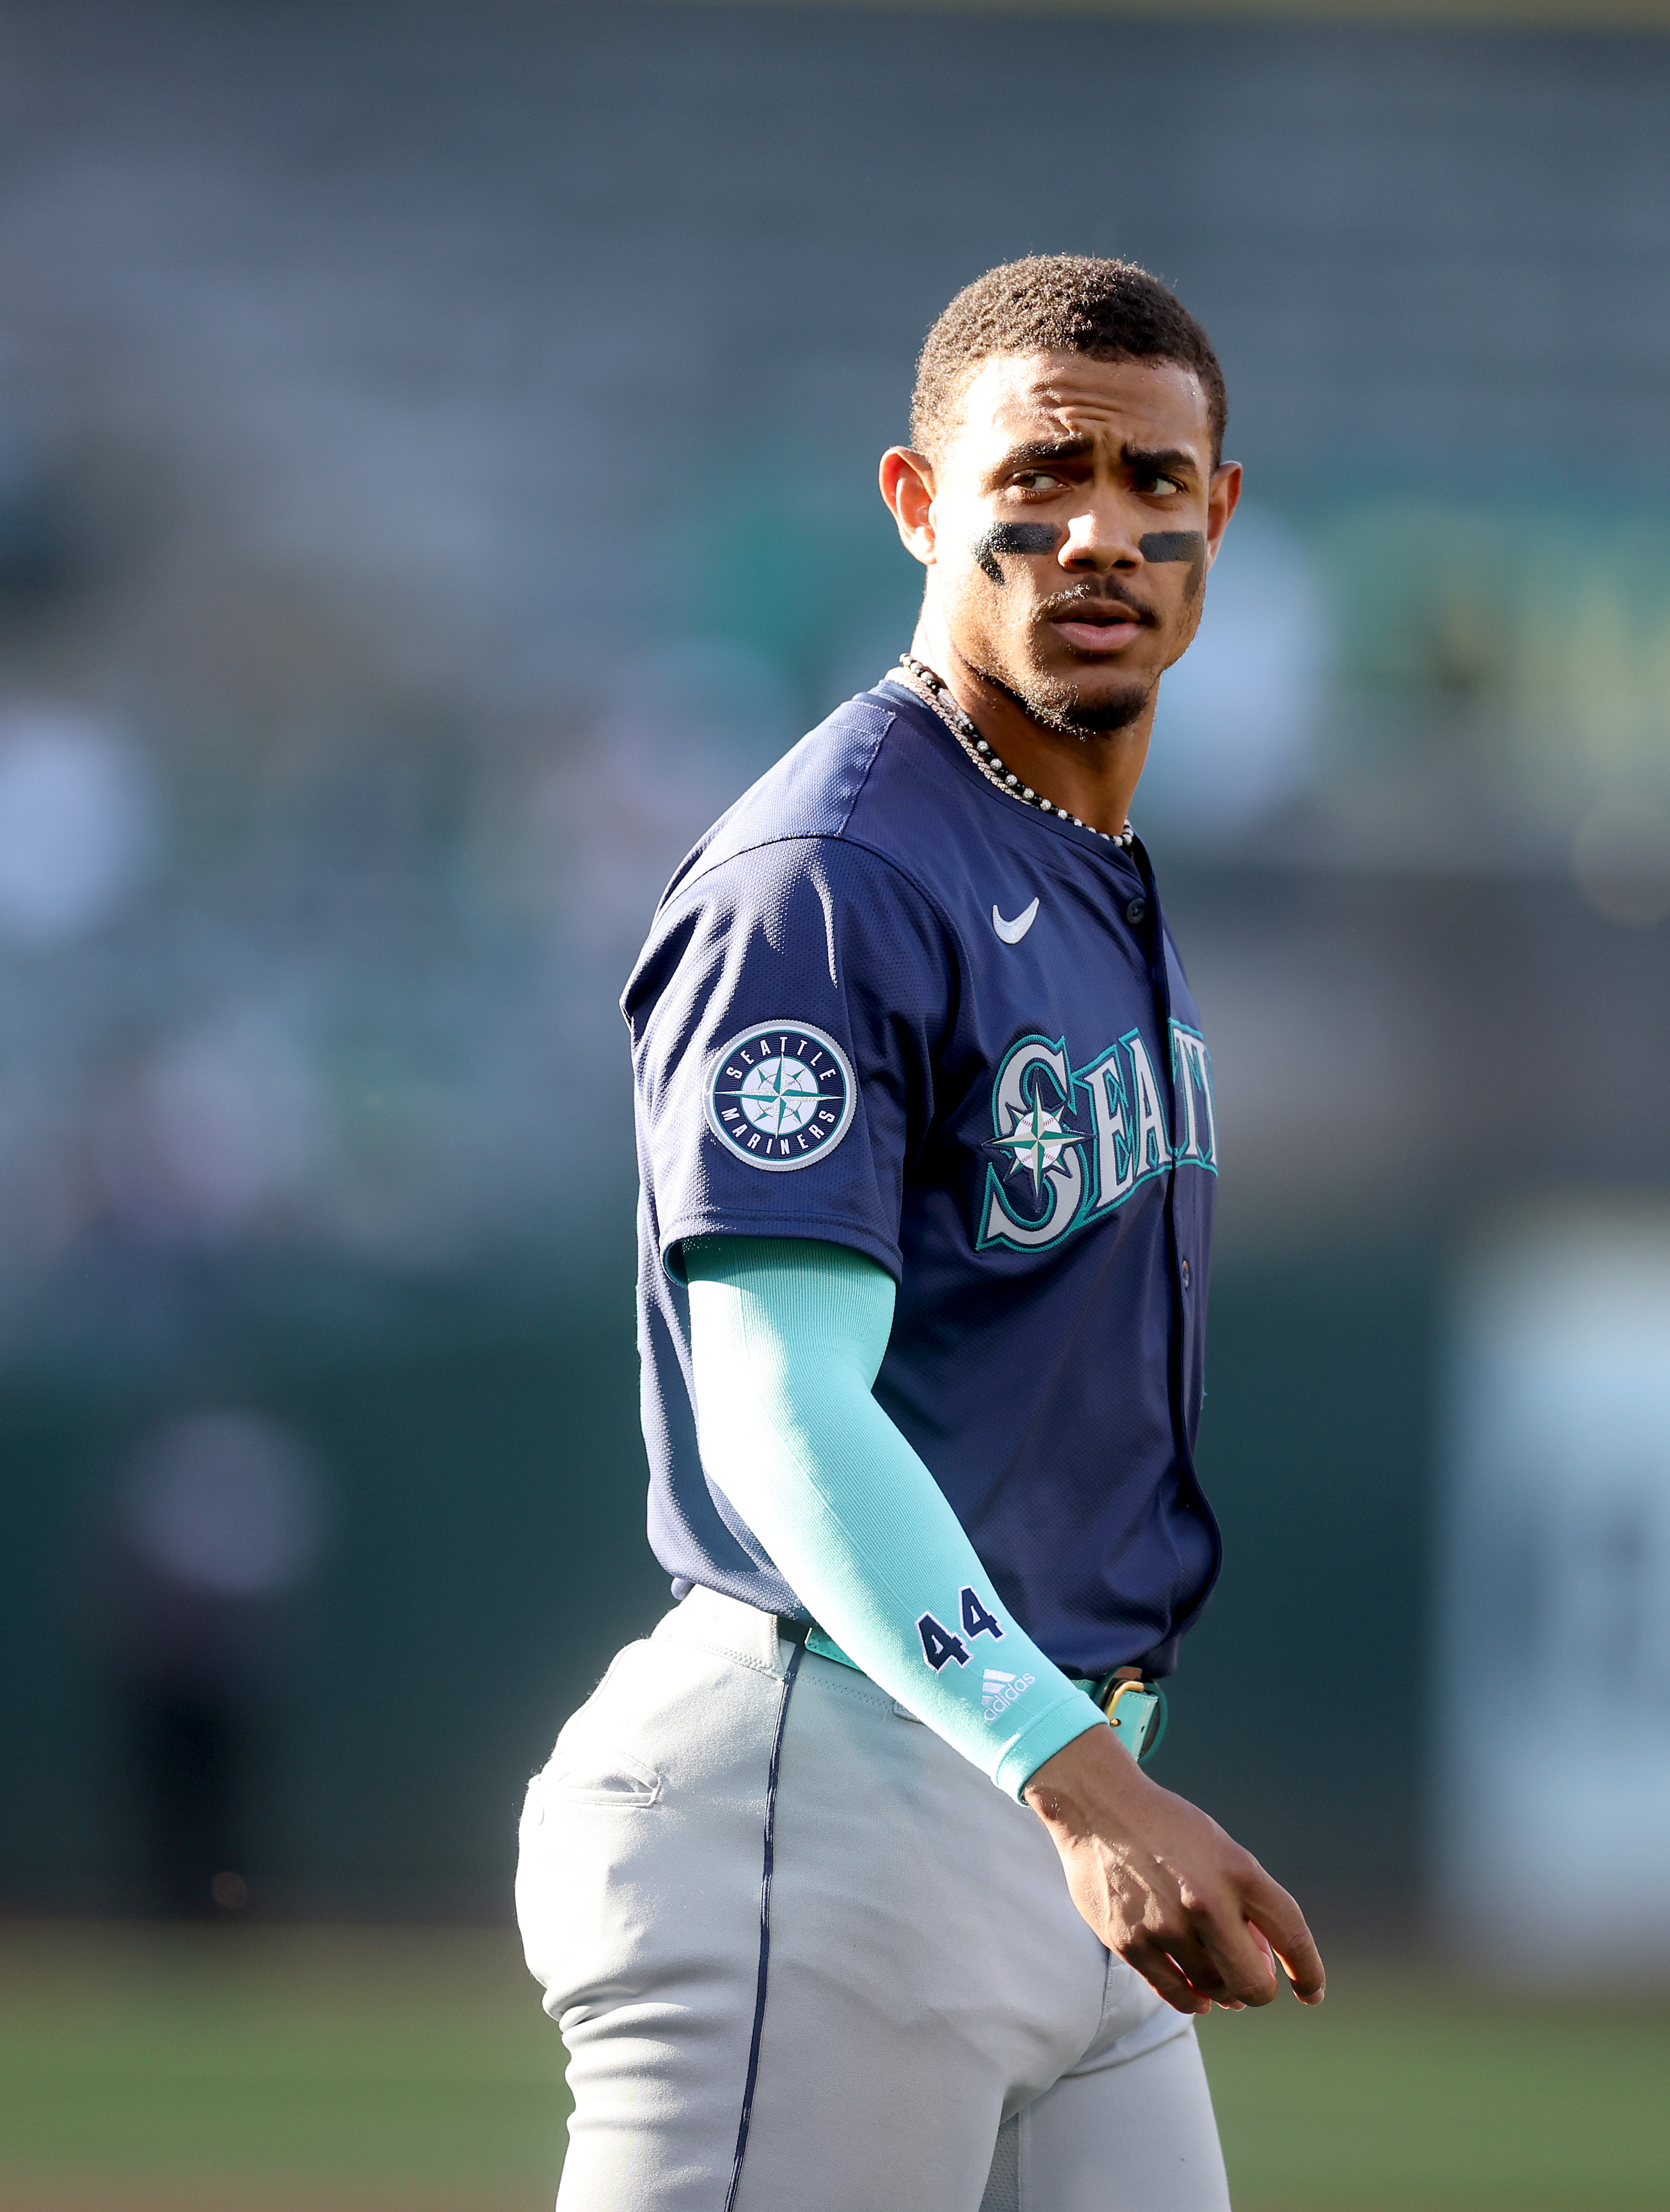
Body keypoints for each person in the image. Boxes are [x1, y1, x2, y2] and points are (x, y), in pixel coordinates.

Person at [516, 255, 1322, 2212]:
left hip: (1036, 1799)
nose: (1100, 528)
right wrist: (1081, 1777)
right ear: (917, 502)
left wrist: (1076, 1777)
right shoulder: (838, 871)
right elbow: (779, 1409)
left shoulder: (1079, 854)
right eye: (1042, 470)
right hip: (844, 1795)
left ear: (1219, 516)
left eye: (1153, 479)